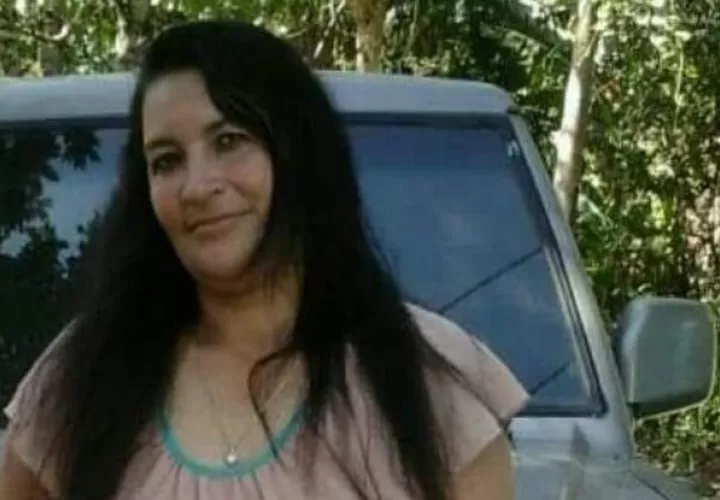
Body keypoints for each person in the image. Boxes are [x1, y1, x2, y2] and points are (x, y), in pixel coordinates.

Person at [0, 20, 528, 500]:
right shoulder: (85, 374)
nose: (197, 186)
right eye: (166, 161)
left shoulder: (427, 379)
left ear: (297, 152)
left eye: (229, 140)